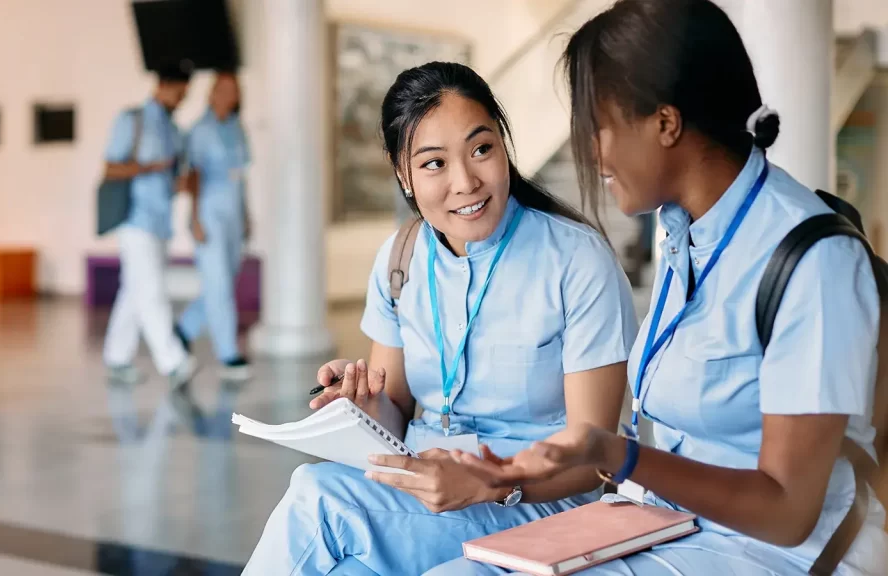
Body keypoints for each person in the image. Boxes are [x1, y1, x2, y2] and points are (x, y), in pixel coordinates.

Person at [431, 0, 887, 574]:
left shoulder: (814, 260)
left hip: (779, 553)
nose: (589, 153)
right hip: (671, 523)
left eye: (598, 128)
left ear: (666, 124)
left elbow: (790, 512)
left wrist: (619, 456)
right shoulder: (683, 235)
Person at [241, 61, 640, 575]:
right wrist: (364, 405)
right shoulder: (399, 258)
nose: (466, 182)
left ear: (503, 144)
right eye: (434, 164)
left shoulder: (577, 261)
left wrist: (492, 482)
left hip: (540, 504)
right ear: (402, 171)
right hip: (425, 495)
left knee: (318, 498)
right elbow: (398, 412)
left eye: (481, 149)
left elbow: (595, 463)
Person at [102, 68, 198, 390]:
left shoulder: (174, 131)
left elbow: (171, 183)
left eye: (186, 94)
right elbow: (111, 167)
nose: (182, 99)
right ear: (163, 84)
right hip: (134, 220)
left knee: (134, 291)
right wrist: (151, 167)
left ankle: (116, 358)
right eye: (180, 92)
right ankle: (173, 361)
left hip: (161, 223)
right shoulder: (132, 120)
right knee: (152, 290)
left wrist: (183, 184)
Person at [174, 72, 252, 380]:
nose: (227, 95)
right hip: (208, 213)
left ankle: (182, 329)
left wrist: (247, 215)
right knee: (218, 282)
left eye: (232, 90)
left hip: (233, 213)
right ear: (212, 93)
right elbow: (193, 176)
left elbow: (241, 176)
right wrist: (194, 219)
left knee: (224, 280)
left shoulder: (237, 128)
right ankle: (228, 354)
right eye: (222, 89)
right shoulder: (200, 131)